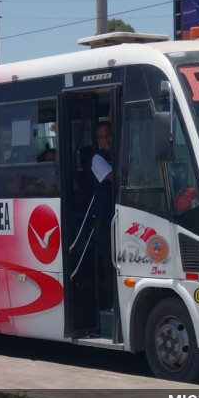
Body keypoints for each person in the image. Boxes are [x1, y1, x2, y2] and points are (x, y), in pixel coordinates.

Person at [90, 121, 114, 310]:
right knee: (108, 263)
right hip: (103, 219)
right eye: (101, 137)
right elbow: (115, 178)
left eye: (107, 135)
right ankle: (112, 304)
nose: (105, 140)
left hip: (116, 216)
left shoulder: (116, 153)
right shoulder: (97, 159)